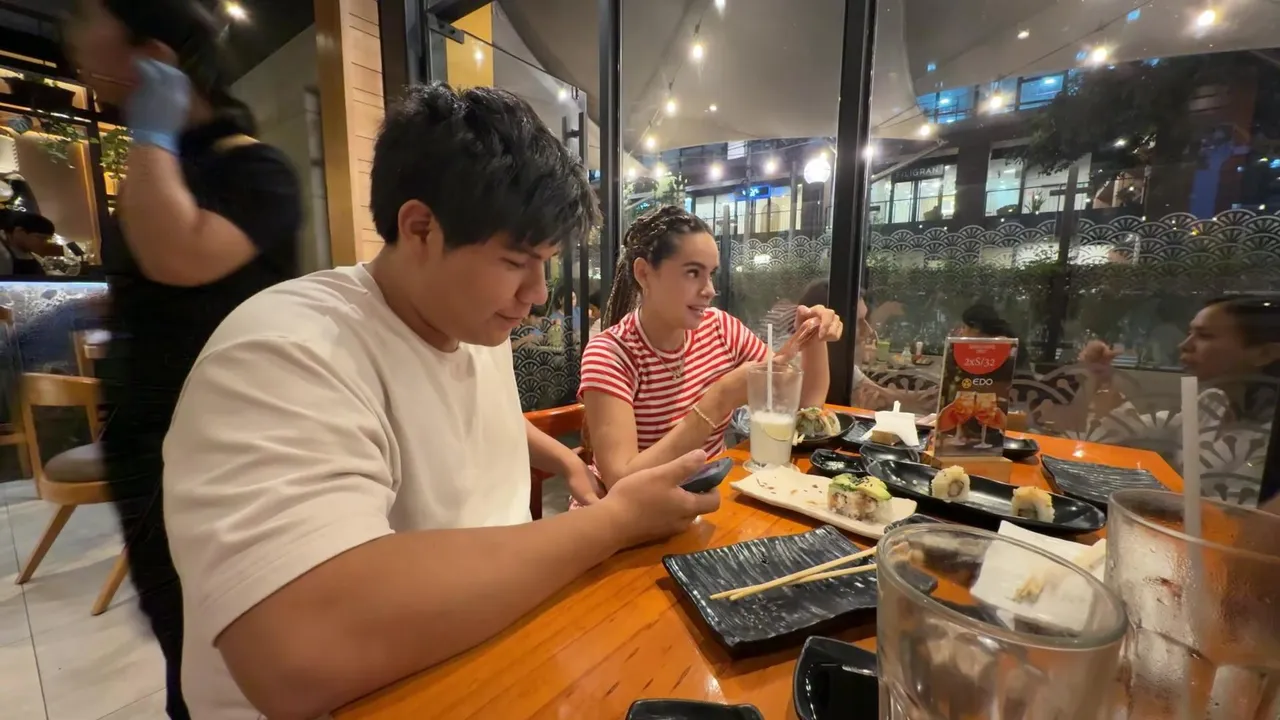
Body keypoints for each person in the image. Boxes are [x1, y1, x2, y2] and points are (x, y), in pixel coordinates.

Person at [160, 83, 717, 720]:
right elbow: (298, 646)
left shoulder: (471, 323)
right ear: (420, 227)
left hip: (491, 661)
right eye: (517, 261)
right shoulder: (283, 351)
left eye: (547, 263)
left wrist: (564, 460)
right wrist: (612, 523)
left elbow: (467, 422)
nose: (538, 293)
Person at [67, 1, 302, 717]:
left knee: (217, 639)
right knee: (185, 637)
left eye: (89, 17)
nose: (76, 35)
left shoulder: (256, 170)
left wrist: (150, 132)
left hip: (221, 444)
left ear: (153, 52)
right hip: (146, 437)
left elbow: (178, 254)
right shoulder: (167, 158)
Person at [579, 206, 841, 492]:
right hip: (637, 511)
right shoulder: (610, 354)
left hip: (709, 497)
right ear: (644, 273)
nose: (709, 290)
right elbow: (621, 482)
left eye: (711, 274)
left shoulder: (721, 329)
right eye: (693, 273)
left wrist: (813, 336)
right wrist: (719, 399)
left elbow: (805, 404)